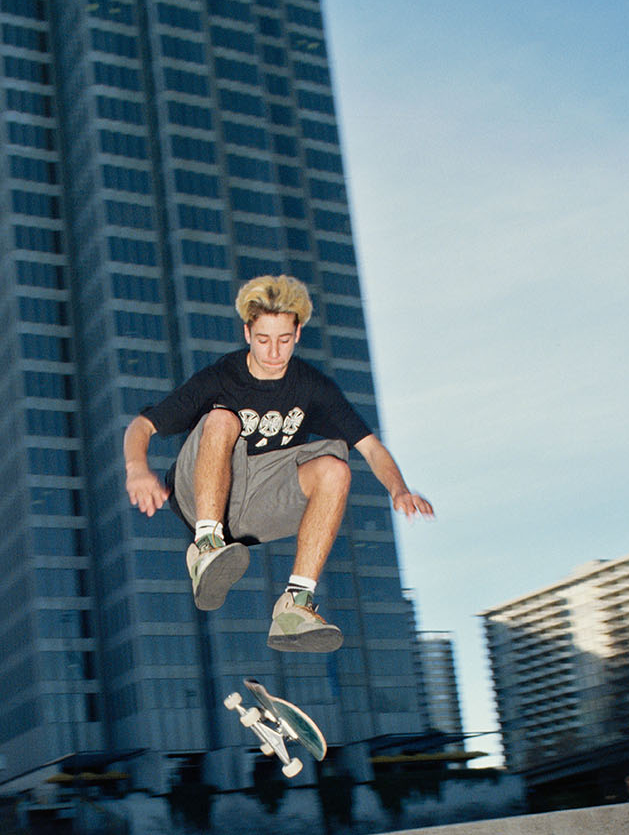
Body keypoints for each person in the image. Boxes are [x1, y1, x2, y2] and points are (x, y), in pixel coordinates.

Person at [123, 274, 433, 651]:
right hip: (199, 496)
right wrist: (137, 469)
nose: (273, 353)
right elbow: (142, 426)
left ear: (297, 335)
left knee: (336, 468)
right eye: (263, 340)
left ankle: (295, 607)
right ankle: (206, 548)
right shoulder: (222, 377)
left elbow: (371, 448)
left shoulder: (312, 386)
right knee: (222, 419)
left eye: (283, 341)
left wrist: (398, 489)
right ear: (247, 333)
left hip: (259, 507)